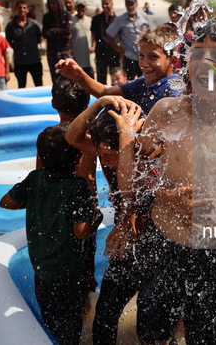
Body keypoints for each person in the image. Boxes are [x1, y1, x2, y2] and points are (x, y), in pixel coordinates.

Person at [108, 20, 216, 344]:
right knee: (153, 335)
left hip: (212, 252)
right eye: (199, 54)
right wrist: (166, 196)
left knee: (210, 339)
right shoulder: (166, 111)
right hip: (162, 245)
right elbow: (137, 171)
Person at [0, 123, 103, 344]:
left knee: (50, 320)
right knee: (70, 328)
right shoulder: (78, 187)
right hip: (67, 274)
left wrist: (35, 201)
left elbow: (6, 202)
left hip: (41, 271)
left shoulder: (34, 179)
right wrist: (97, 218)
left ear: (41, 156)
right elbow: (81, 231)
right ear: (78, 159)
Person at [65, 96, 153, 345]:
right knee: (103, 318)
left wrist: (127, 221)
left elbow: (134, 197)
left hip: (154, 256)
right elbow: (72, 138)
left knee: (152, 327)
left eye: (109, 154)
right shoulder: (109, 153)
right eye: (100, 153)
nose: (103, 161)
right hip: (125, 252)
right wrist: (98, 103)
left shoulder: (148, 157)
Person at [47, 77, 96, 316]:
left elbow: (40, 176)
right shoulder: (91, 136)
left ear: (53, 104)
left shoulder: (48, 138)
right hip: (85, 206)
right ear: (87, 103)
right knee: (85, 257)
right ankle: (85, 301)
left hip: (58, 207)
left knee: (59, 258)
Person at [56, 24, 181, 114]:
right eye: (141, 56)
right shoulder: (144, 83)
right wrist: (79, 76)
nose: (145, 63)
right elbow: (104, 92)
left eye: (153, 57)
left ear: (173, 61)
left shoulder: (175, 93)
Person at [105, 0, 155, 80]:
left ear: (136, 5)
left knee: (146, 80)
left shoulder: (144, 16)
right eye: (128, 4)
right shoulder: (120, 19)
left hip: (144, 56)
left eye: (132, 4)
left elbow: (153, 30)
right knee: (129, 81)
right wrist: (116, 48)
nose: (130, 7)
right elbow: (109, 33)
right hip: (129, 56)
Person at [5, 0, 43, 88]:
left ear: (28, 10)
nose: (22, 10)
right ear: (15, 9)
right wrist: (19, 48)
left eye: (24, 8)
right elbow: (9, 41)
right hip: (20, 61)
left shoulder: (34, 24)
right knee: (21, 86)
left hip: (35, 60)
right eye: (19, 7)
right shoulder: (10, 25)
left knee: (39, 86)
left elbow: (39, 39)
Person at [42, 0, 72, 83]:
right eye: (50, 3)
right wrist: (60, 33)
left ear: (59, 3)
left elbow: (68, 32)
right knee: (55, 79)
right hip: (52, 51)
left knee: (68, 78)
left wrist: (52, 30)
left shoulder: (67, 14)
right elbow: (44, 34)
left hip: (64, 50)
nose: (52, 5)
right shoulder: (47, 17)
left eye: (54, 2)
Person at [91, 0, 119, 85]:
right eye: (103, 3)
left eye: (107, 3)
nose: (105, 6)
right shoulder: (96, 19)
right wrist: (93, 46)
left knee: (115, 79)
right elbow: (94, 35)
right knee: (101, 79)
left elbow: (121, 36)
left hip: (114, 53)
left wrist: (119, 48)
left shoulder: (117, 19)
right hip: (100, 53)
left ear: (112, 4)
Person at [71, 0, 94, 79]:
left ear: (86, 8)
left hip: (88, 56)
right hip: (76, 55)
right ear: (76, 8)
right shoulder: (71, 20)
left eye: (82, 7)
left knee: (90, 79)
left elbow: (94, 35)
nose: (81, 8)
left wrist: (93, 46)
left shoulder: (90, 20)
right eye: (79, 6)